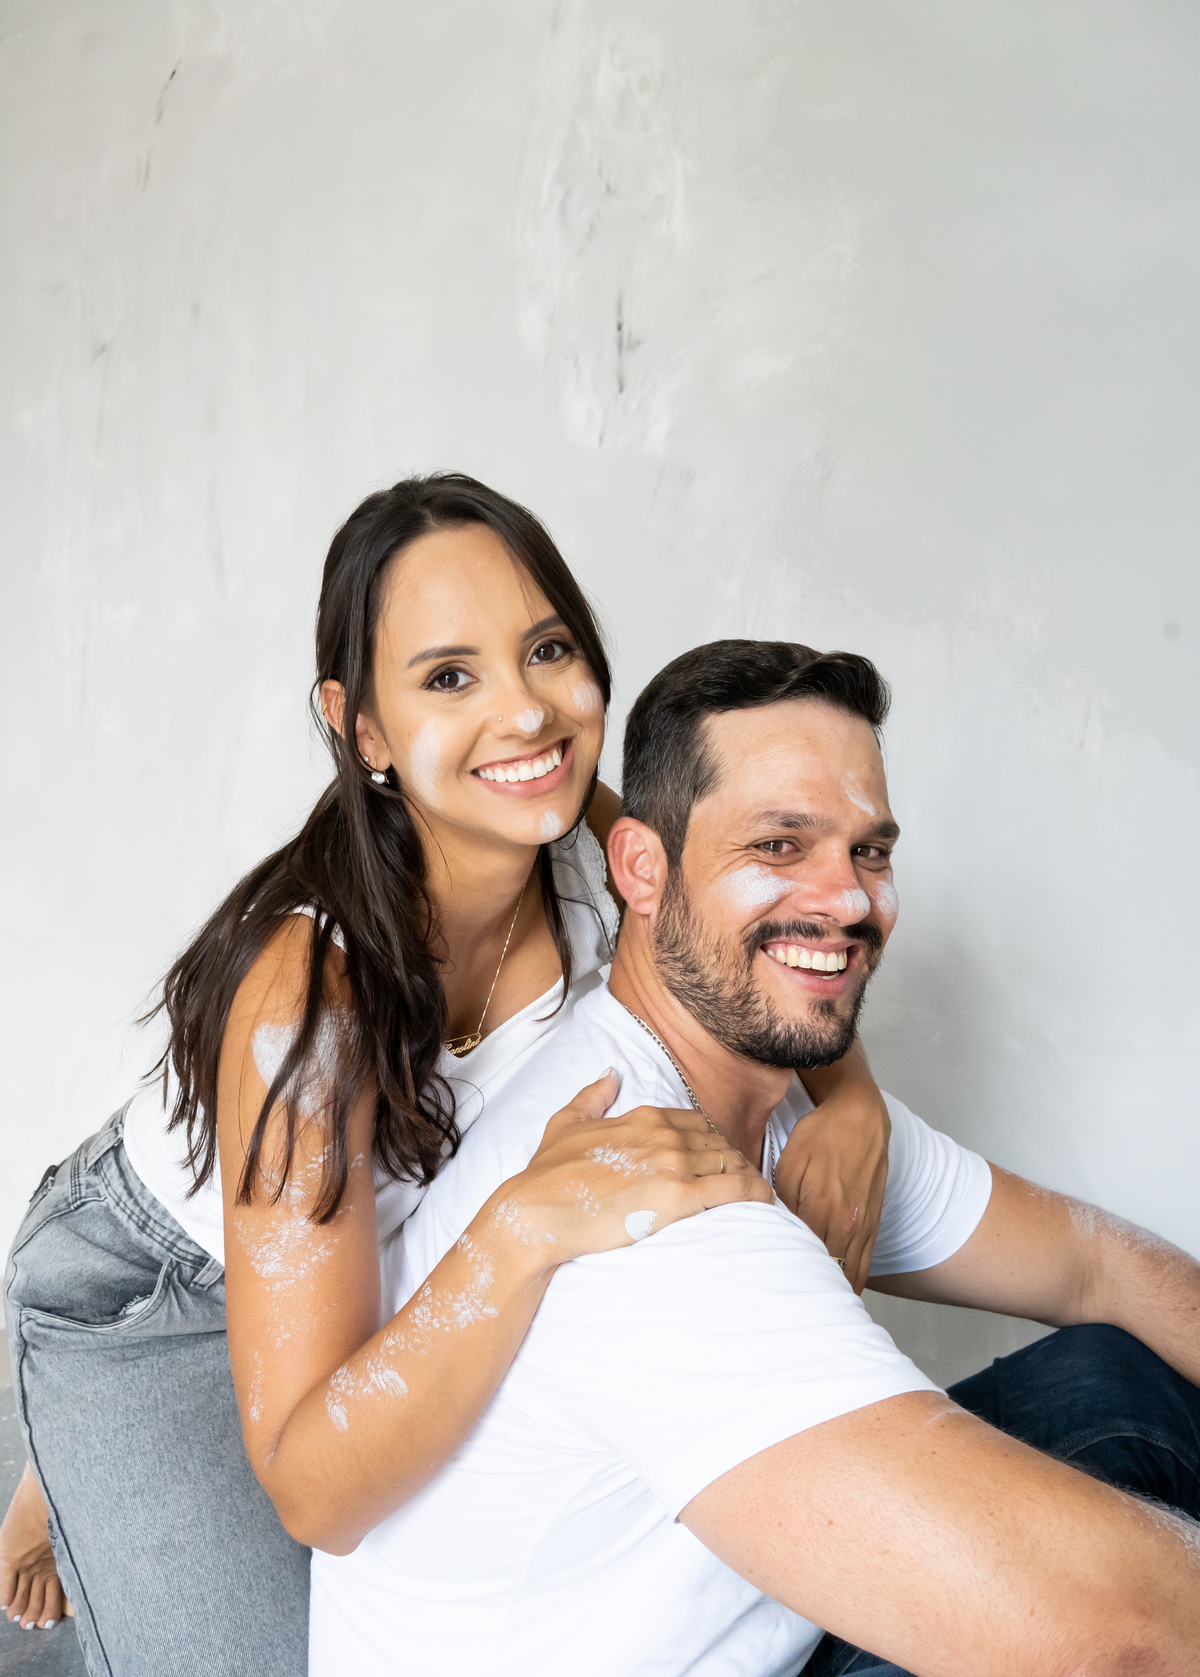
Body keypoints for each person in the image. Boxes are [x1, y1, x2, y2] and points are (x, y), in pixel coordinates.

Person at [2, 479, 891, 1672]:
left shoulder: (589, 827)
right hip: (171, 1287)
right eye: (448, 677)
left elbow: (753, 906)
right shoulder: (306, 1006)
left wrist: (855, 1100)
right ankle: (64, 1442)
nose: (527, 714)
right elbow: (318, 1497)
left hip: (376, 1259)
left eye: (548, 648)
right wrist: (520, 1232)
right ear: (359, 724)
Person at [307, 636, 1200, 1677]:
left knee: (1111, 1378)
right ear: (641, 867)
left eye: (870, 851)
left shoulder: (783, 1104)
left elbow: (1099, 1264)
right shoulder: (639, 1197)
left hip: (743, 1635)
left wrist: (856, 1101)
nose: (850, 900)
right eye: (780, 847)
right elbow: (1125, 1639)